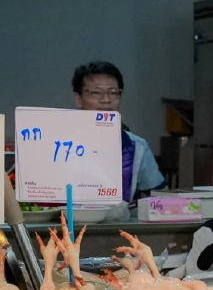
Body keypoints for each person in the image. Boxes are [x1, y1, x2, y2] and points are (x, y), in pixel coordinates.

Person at [71, 61, 166, 202]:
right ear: (79, 98)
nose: (106, 100)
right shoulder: (57, 140)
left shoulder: (136, 146)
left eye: (113, 93)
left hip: (118, 222)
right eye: (96, 93)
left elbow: (160, 196)